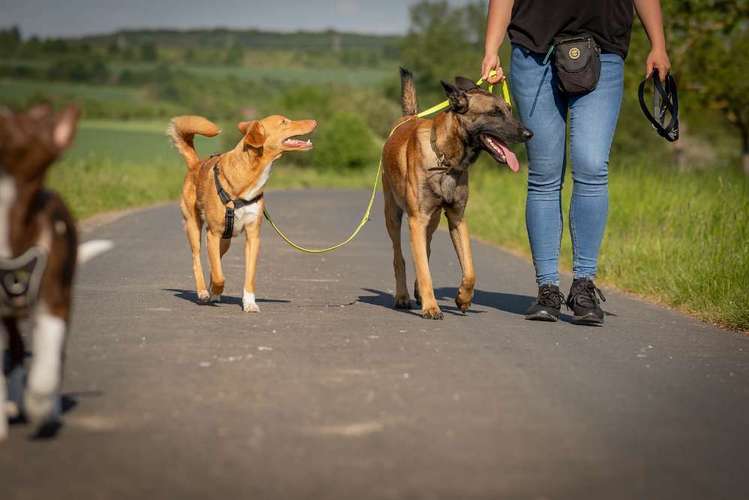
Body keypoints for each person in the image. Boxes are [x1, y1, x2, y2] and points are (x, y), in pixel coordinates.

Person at [481, 0, 671, 325]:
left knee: (592, 165)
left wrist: (659, 45)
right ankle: (548, 289)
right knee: (544, 172)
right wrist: (491, 48)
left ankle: (583, 284)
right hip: (533, 49)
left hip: (605, 48)